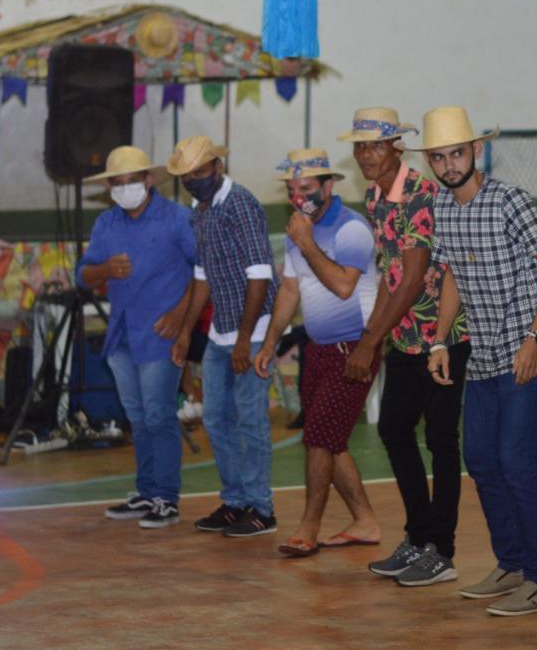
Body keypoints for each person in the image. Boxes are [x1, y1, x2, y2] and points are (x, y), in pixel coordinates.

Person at [415, 106, 537, 617]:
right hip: (480, 353)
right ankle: (512, 565)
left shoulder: (509, 200)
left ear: (474, 151)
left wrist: (536, 338)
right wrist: (439, 340)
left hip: (525, 349)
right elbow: (454, 275)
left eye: (456, 153)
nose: (448, 164)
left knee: (517, 462)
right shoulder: (442, 205)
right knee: (480, 459)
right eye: (439, 157)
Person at [340, 107, 471, 587]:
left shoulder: (420, 193)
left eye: (374, 145)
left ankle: (443, 551)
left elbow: (414, 279)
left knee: (440, 441)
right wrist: (370, 337)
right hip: (404, 336)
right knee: (395, 429)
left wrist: (370, 341)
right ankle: (418, 538)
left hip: (444, 336)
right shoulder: (375, 198)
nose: (365, 155)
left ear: (396, 147)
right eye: (359, 146)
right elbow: (390, 274)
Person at [253, 149, 384, 557]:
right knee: (331, 440)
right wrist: (271, 341)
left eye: (306, 188)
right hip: (319, 348)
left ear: (328, 186)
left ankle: (308, 528)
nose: (298, 197)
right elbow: (290, 291)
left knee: (319, 439)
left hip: (354, 350)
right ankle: (364, 520)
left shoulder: (351, 229)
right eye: (292, 190)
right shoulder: (299, 230)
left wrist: (307, 244)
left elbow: (344, 286)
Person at [78, 146, 196, 528]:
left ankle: (166, 497)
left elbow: (204, 272)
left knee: (160, 415)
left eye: (133, 180)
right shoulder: (106, 226)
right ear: (110, 186)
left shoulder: (178, 219)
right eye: (118, 183)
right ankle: (147, 492)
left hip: (162, 334)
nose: (126, 188)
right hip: (122, 336)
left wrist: (181, 316)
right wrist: (104, 269)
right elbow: (83, 276)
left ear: (149, 180)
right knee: (138, 417)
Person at [168, 136, 278, 538]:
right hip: (221, 330)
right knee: (215, 417)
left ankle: (262, 509)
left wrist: (246, 340)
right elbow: (202, 277)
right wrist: (184, 334)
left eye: (200, 171)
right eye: (186, 176)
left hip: (252, 328)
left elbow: (260, 275)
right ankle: (235, 502)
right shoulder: (198, 212)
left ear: (216, 167)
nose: (194, 180)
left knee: (250, 420)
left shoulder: (241, 204)